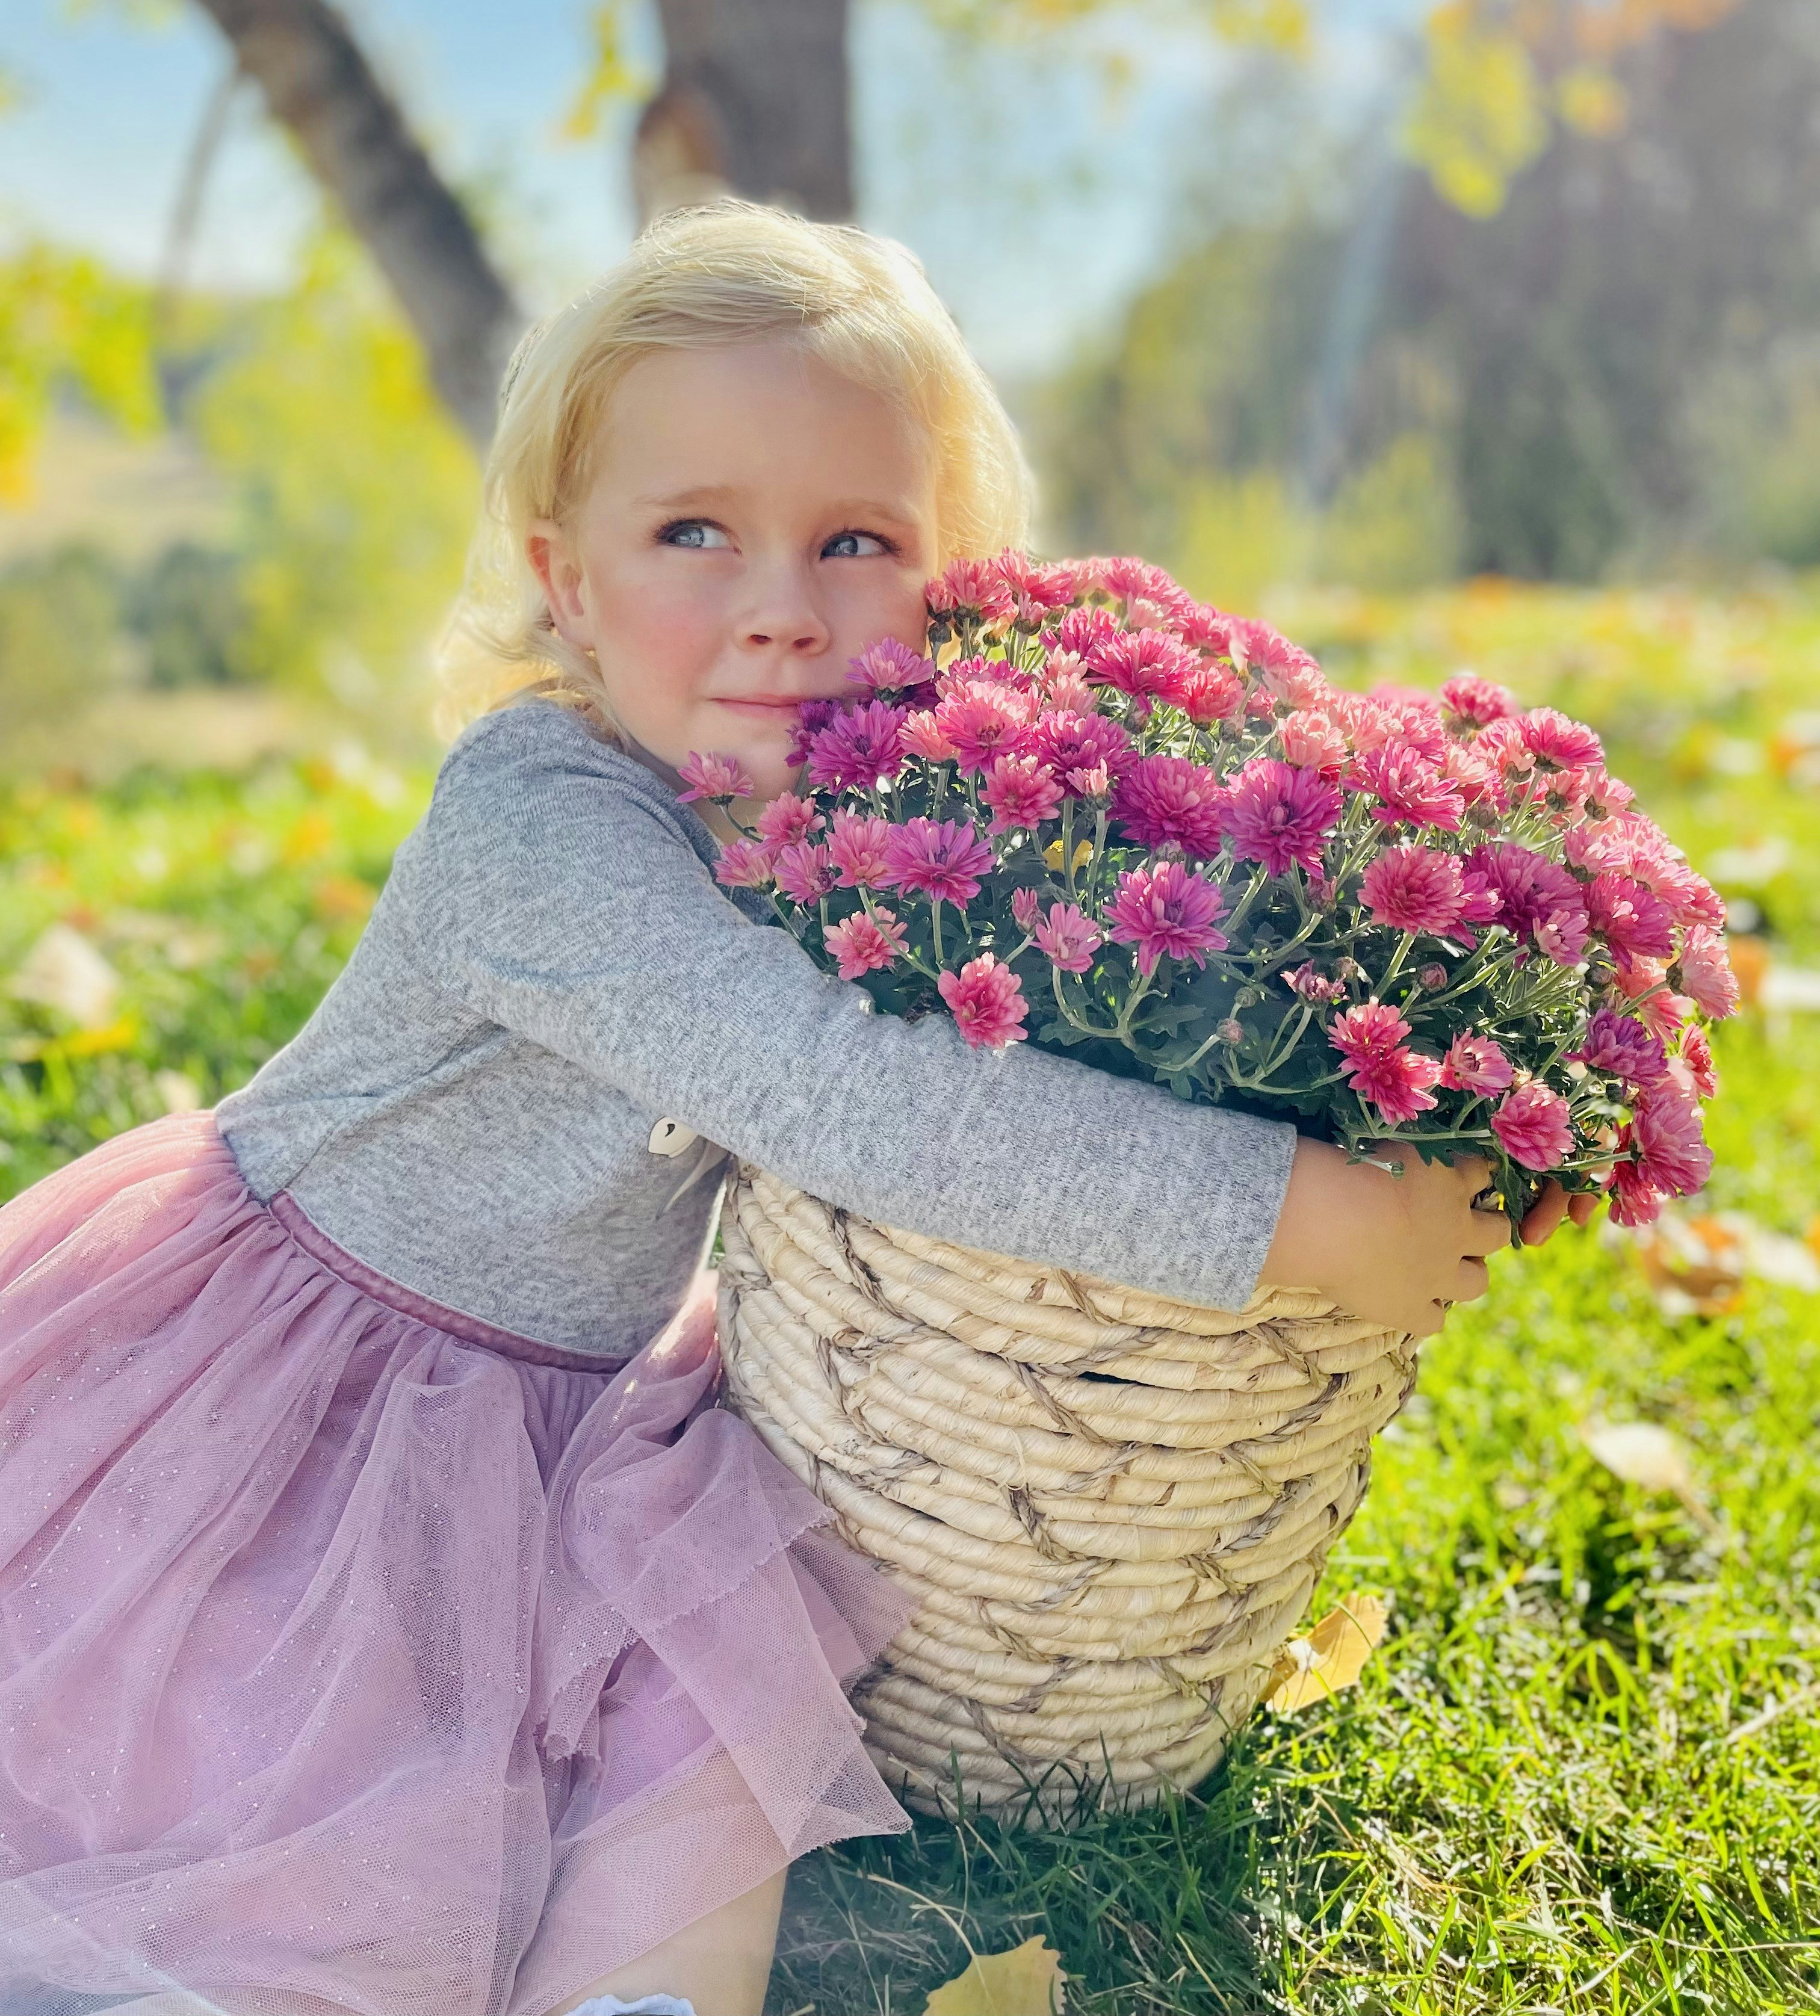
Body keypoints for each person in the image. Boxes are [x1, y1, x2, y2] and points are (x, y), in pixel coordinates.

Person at [0, 202, 1585, 2016]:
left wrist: (1352, 1060)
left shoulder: (856, 820)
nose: (780, 606)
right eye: (693, 532)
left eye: (858, 541)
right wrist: (1297, 1213)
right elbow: (842, 1096)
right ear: (566, 581)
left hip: (576, 1402)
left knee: (700, 1696)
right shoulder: (542, 812)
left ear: (952, 584)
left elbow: (1020, 1054)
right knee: (276, 1767)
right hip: (314, 1389)